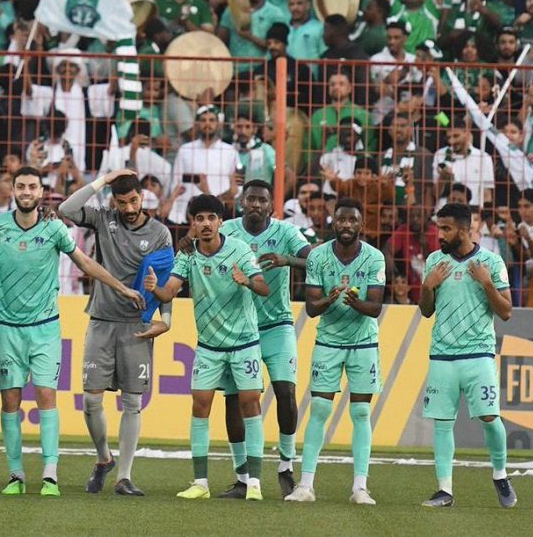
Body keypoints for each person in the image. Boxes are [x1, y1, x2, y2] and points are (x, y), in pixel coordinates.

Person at [0, 166, 139, 496]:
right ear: (13, 190)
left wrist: (120, 287)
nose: (26, 192)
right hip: (7, 328)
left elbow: (84, 262)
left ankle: (50, 475)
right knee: (10, 401)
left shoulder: (53, 227)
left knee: (45, 396)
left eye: (32, 187)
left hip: (44, 328)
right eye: (21, 186)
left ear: (41, 192)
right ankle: (15, 475)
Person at [139, 193, 268, 501]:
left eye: (212, 218)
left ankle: (254, 484)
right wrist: (154, 287)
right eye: (200, 219)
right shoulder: (187, 255)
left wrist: (247, 281)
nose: (206, 224)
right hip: (209, 346)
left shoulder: (238, 250)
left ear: (220, 222)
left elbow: (264, 287)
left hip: (244, 343)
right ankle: (201, 483)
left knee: (250, 403)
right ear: (193, 225)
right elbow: (169, 293)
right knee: (200, 406)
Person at [57, 169, 173, 495]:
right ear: (114, 201)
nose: (129, 207)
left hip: (137, 325)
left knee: (132, 402)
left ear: (143, 197)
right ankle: (103, 458)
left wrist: (165, 318)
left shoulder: (160, 232)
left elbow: (164, 280)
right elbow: (66, 210)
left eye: (134, 200)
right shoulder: (103, 218)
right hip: (101, 319)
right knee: (92, 400)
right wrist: (103, 179)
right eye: (122, 201)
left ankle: (124, 477)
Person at [286, 195, 386, 505]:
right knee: (319, 409)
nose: (346, 224)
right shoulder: (317, 257)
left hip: (363, 343)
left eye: (352, 220)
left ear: (361, 224)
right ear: (334, 221)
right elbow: (312, 309)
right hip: (328, 341)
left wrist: (356, 303)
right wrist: (329, 300)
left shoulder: (374, 257)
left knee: (359, 411)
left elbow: (375, 308)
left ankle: (360, 487)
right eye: (341, 219)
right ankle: (305, 485)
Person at [417, 201, 516, 510]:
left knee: (490, 418)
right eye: (438, 228)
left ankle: (500, 474)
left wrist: (486, 282)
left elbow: (506, 312)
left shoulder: (491, 262)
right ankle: (444, 490)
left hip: (478, 355)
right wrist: (427, 286)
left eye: (445, 229)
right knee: (443, 423)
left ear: (464, 229)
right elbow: (426, 311)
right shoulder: (435, 261)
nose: (439, 235)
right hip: (442, 355)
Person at [216, 180, 311, 497]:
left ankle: (286, 463)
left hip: (277, 325)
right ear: (241, 202)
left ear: (272, 206)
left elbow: (316, 260)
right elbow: (199, 248)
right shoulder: (226, 229)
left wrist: (289, 260)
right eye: (250, 199)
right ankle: (242, 476)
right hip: (238, 328)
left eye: (262, 200)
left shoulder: (286, 232)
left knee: (285, 391)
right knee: (235, 400)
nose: (256, 204)